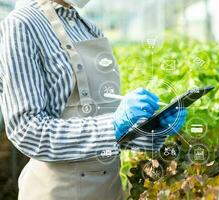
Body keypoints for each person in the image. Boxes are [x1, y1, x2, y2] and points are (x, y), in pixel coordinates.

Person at [0, 0, 187, 199]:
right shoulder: (22, 24)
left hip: (109, 189)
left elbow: (105, 132)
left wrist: (152, 130)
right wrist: (114, 124)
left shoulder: (88, 27)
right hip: (58, 191)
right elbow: (28, 131)